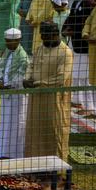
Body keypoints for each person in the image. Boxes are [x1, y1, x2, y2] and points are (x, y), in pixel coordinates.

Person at [24, 22, 73, 160]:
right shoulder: (40, 48)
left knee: (54, 131)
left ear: (55, 35)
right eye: (42, 36)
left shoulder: (65, 52)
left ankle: (56, 168)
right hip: (36, 97)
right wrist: (27, 78)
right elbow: (31, 65)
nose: (44, 40)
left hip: (54, 99)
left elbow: (61, 78)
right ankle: (34, 164)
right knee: (35, 131)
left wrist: (38, 83)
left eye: (46, 37)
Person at [0, 28, 29, 159]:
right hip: (6, 94)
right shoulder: (7, 52)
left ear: (18, 41)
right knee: (4, 123)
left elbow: (21, 77)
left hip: (16, 96)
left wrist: (7, 86)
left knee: (16, 124)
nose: (8, 44)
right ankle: (3, 151)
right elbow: (0, 69)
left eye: (10, 42)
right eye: (6, 41)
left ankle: (14, 154)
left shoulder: (23, 57)